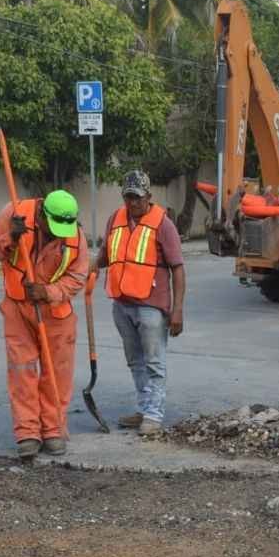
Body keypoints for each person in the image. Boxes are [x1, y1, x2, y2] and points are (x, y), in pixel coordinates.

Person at [0, 190, 89, 459]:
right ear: (42, 214)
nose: (57, 235)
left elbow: (77, 277)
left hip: (56, 313)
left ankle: (53, 429)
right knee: (23, 371)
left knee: (57, 374)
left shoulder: (74, 236)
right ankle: (28, 432)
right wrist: (12, 237)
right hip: (18, 309)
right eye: (52, 228)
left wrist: (48, 292)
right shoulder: (14, 213)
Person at [96, 170, 186, 436]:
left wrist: (177, 310)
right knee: (135, 360)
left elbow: (178, 269)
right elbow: (104, 256)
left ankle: (154, 416)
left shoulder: (164, 225)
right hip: (122, 304)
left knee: (154, 363)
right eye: (128, 197)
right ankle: (145, 407)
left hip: (151, 306)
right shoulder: (116, 219)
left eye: (137, 197)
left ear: (148, 196)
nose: (132, 203)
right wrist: (86, 268)